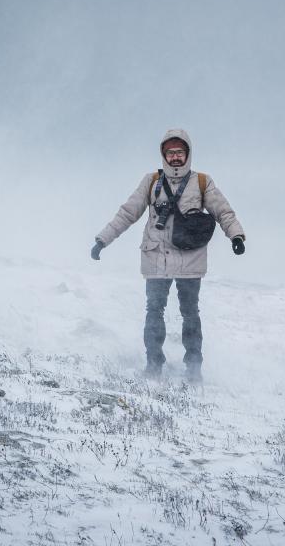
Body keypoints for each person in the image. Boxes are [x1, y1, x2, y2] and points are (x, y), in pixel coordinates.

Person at [91, 129, 246, 384]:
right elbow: (128, 212)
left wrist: (236, 236)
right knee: (154, 310)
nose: (175, 157)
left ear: (188, 154)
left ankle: (194, 368)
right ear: (164, 154)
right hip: (156, 258)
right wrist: (102, 240)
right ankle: (153, 364)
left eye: (180, 153)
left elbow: (224, 212)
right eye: (171, 153)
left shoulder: (203, 182)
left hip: (190, 259)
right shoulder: (151, 181)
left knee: (190, 313)